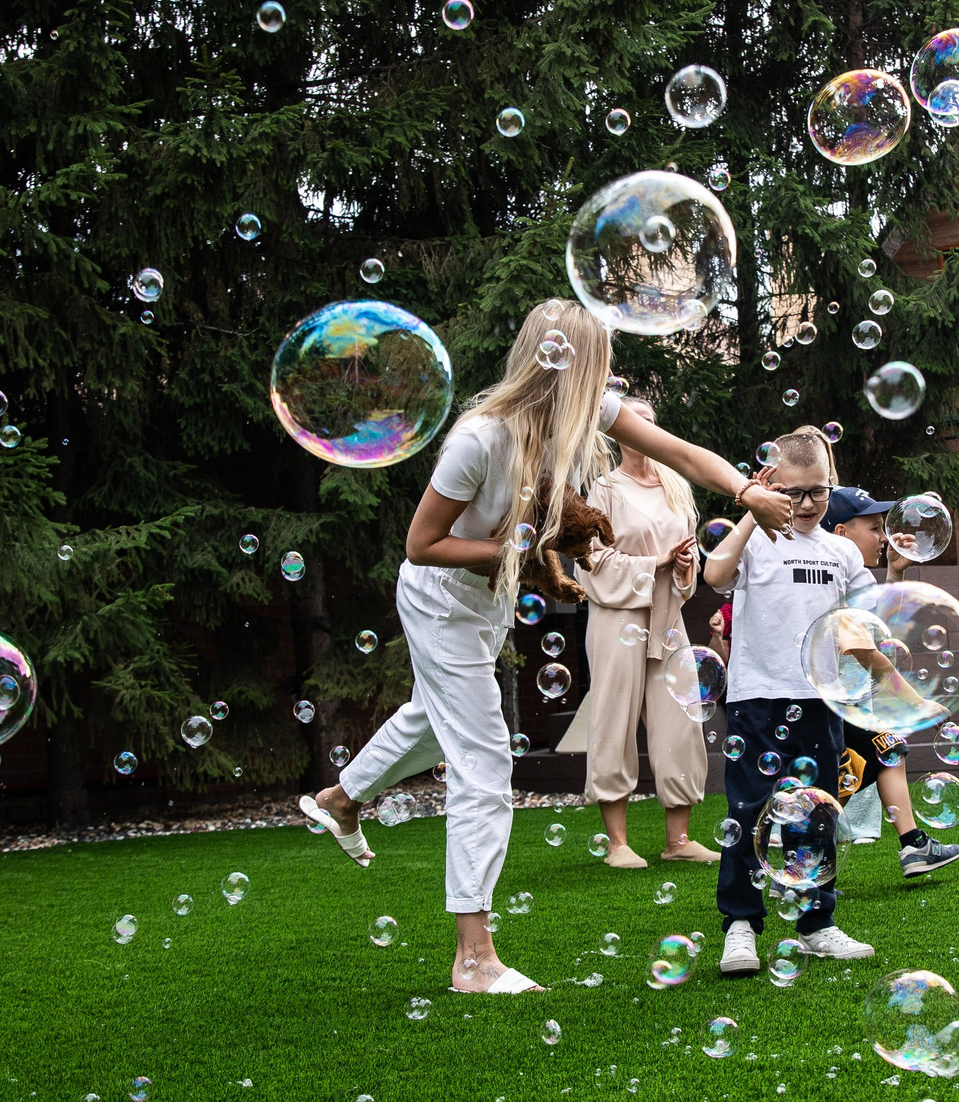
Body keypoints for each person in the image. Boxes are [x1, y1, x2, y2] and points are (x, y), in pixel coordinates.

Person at [300, 301, 793, 995]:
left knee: (432, 718)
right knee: (483, 765)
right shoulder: (480, 439)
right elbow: (422, 544)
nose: (611, 380)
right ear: (568, 368)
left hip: (486, 601)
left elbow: (678, 452)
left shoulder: (585, 415)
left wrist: (744, 489)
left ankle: (342, 798)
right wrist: (521, 552)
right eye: (603, 365)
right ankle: (473, 957)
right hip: (440, 601)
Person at [703, 427, 886, 974]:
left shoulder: (842, 551)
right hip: (757, 697)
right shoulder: (756, 541)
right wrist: (749, 512)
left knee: (817, 813)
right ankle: (740, 925)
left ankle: (816, 924)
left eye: (818, 491)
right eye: (792, 493)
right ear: (768, 485)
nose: (806, 505)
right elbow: (715, 575)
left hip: (819, 699)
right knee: (748, 810)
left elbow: (857, 630)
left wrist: (881, 667)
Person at [577, 396, 716, 869]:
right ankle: (618, 843)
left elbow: (691, 560)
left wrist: (681, 568)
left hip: (667, 615)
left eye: (652, 421)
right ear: (619, 432)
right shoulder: (604, 489)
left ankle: (677, 840)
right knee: (613, 720)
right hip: (618, 615)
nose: (645, 428)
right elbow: (590, 560)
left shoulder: (677, 488)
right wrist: (655, 562)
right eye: (636, 420)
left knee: (681, 719)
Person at [821, 486, 959, 880]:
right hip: (828, 699)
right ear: (842, 534)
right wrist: (917, 702)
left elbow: (879, 630)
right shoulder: (832, 579)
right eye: (874, 528)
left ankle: (913, 845)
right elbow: (870, 653)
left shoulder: (853, 576)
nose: (883, 537)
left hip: (844, 699)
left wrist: (895, 572)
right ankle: (804, 854)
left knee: (885, 751)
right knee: (846, 772)